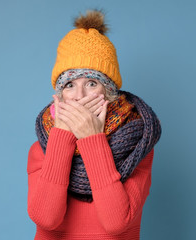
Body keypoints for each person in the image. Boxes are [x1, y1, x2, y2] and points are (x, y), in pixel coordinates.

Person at [27, 9, 162, 240]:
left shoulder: (136, 146)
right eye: (69, 84)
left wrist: (92, 140)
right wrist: (61, 137)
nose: (79, 96)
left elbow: (116, 222)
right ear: (59, 95)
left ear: (109, 92)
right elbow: (46, 219)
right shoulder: (41, 148)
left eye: (91, 83)